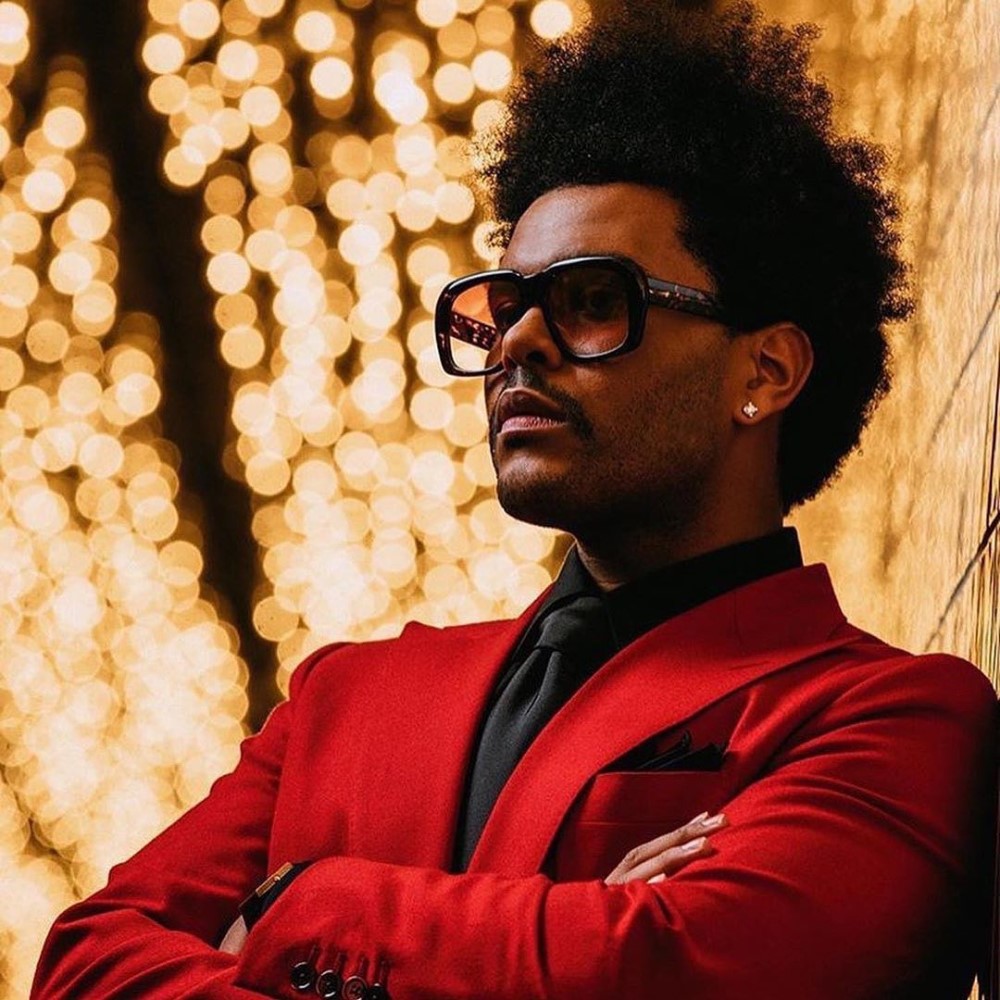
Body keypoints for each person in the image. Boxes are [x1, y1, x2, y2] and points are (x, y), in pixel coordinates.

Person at [32, 2, 998, 998]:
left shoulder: (888, 718)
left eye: (593, 302)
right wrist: (571, 923)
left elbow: (674, 967)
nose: (517, 344)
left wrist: (299, 903)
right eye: (505, 306)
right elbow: (86, 963)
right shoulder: (343, 697)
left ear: (766, 370)